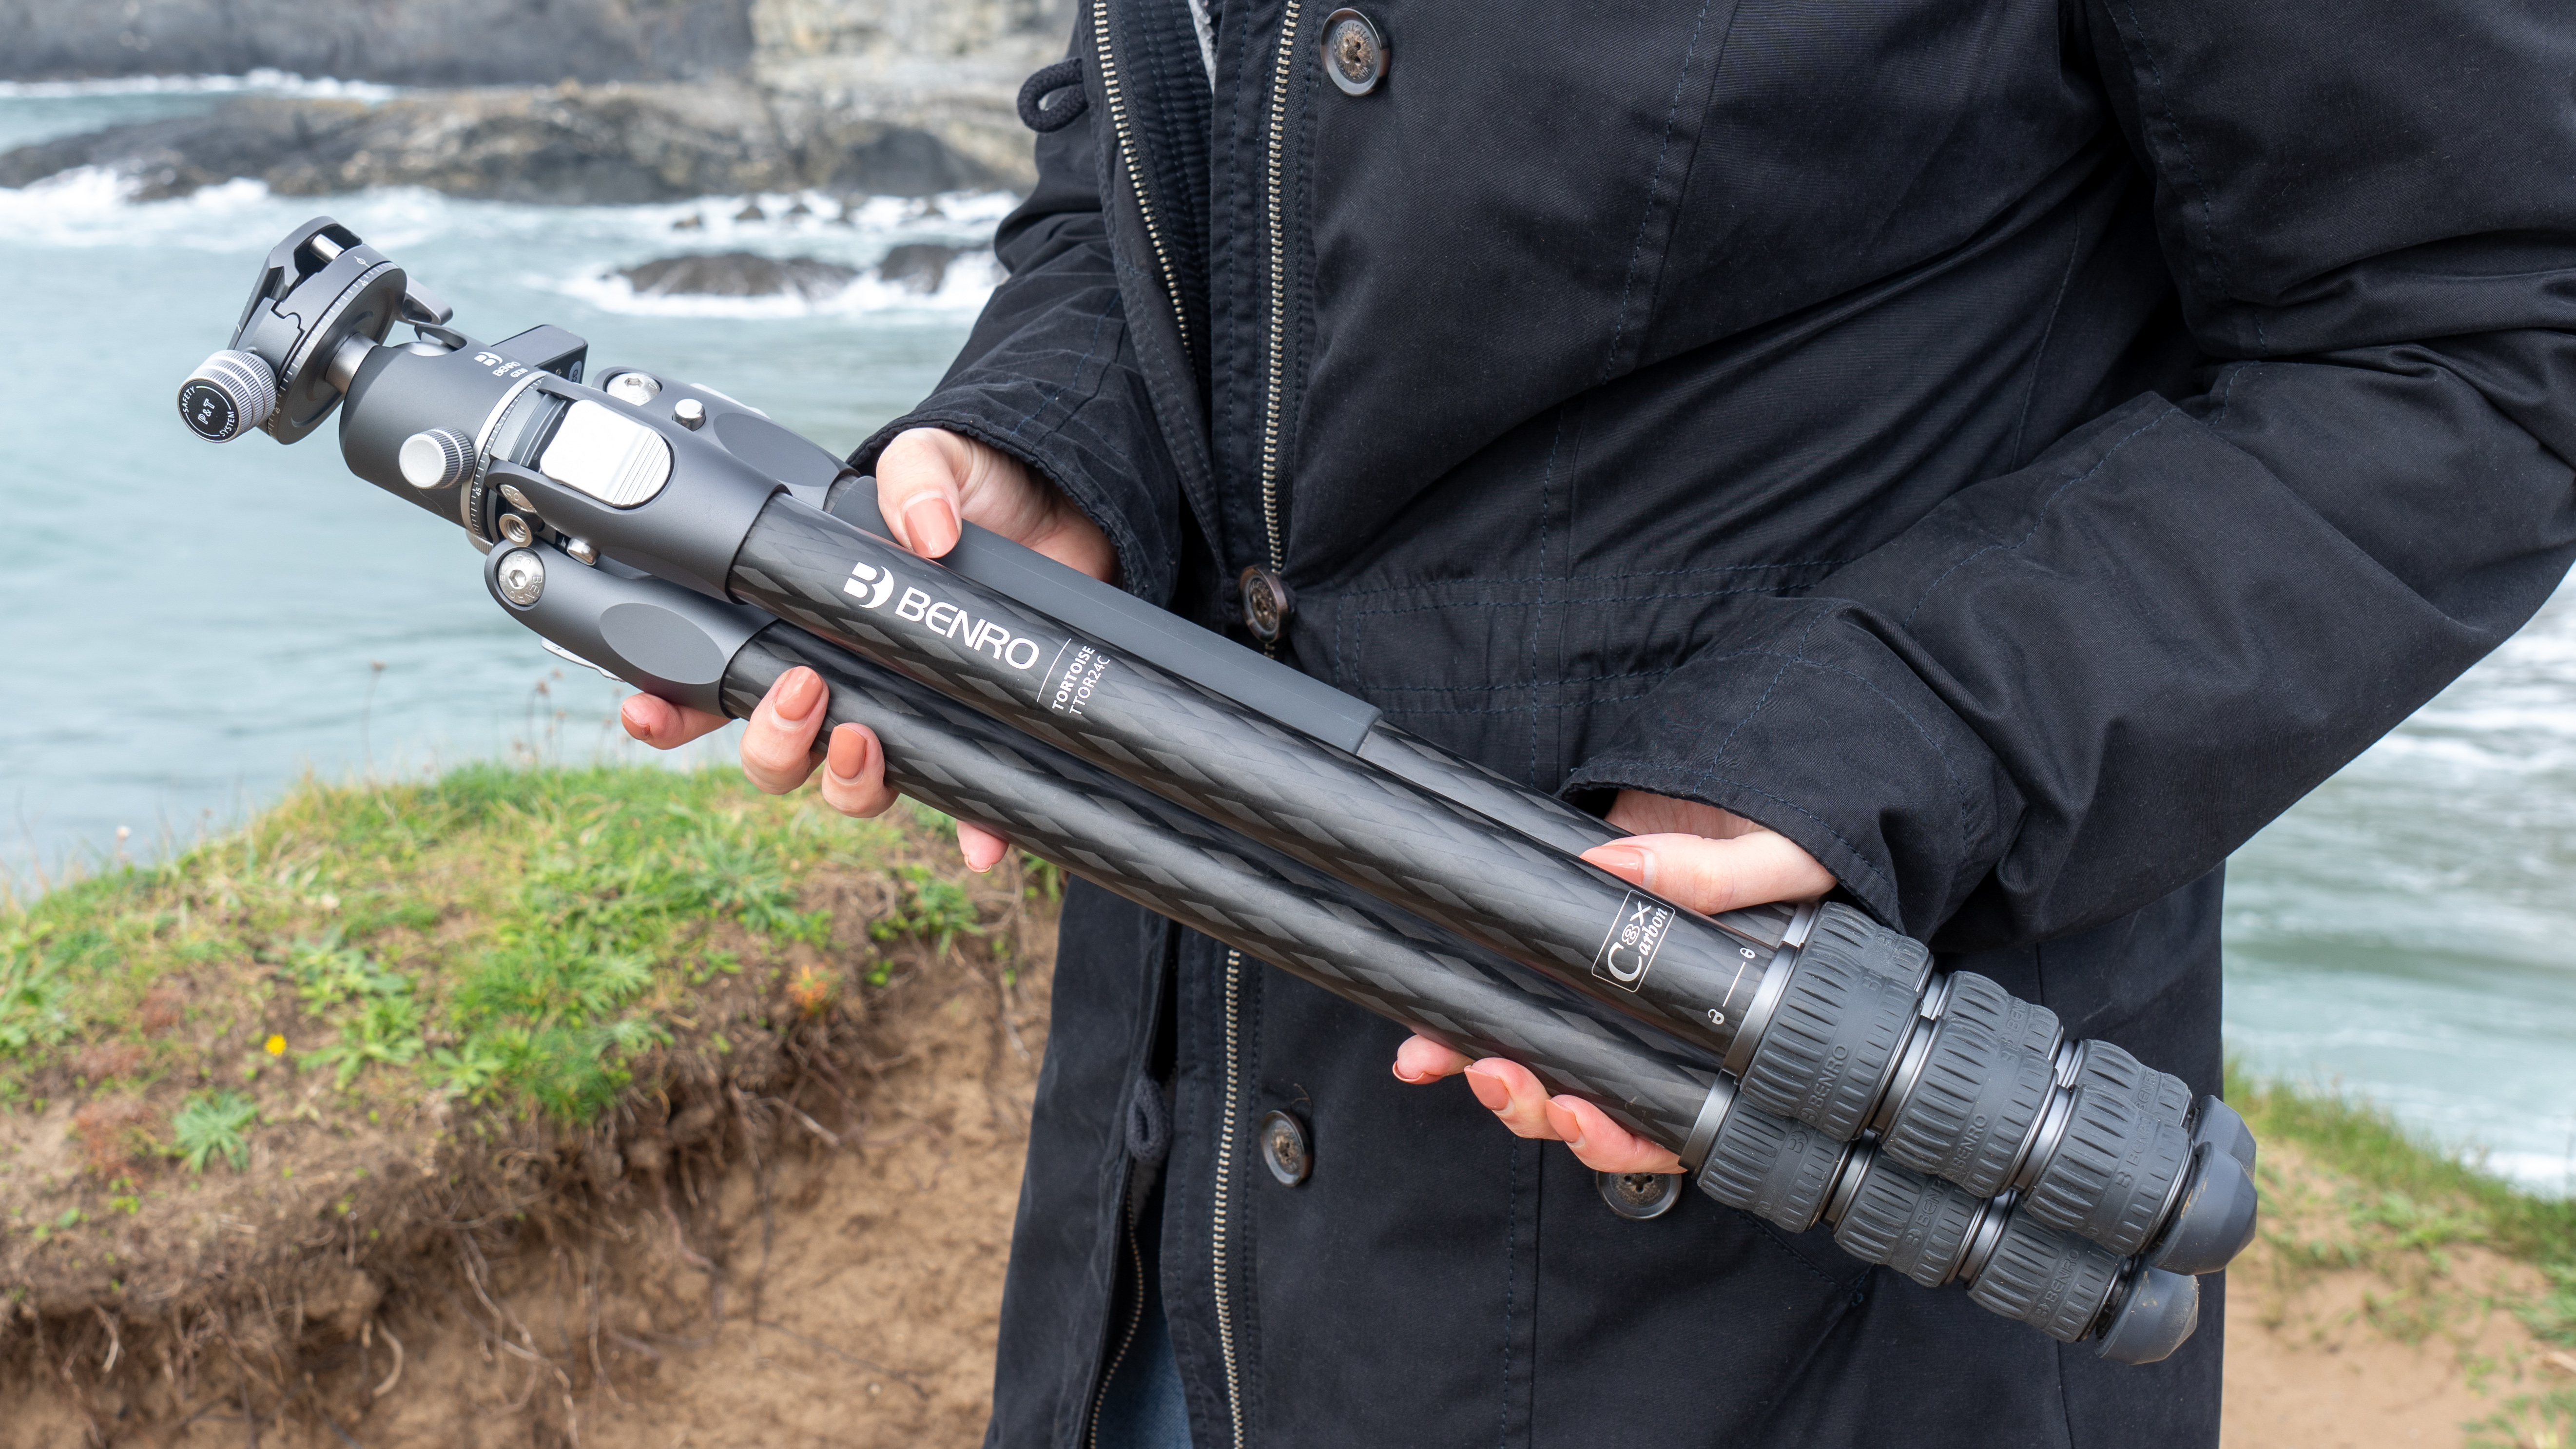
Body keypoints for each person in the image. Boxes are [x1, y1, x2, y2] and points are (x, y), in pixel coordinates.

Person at [622, 0, 2576, 1442]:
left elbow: (2481, 330)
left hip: (1799, 1275)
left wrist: (1883, 730)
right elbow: (1164, 134)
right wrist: (1059, 438)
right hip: (1165, 1258)